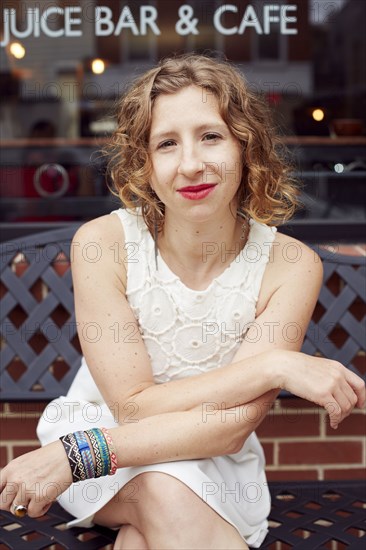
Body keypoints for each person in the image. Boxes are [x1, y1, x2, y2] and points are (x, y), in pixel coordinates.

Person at [1, 54, 364, 550]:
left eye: (211, 136)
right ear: (145, 165)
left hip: (208, 466)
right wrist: (274, 367)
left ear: (245, 146)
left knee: (152, 518)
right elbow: (131, 407)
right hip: (107, 448)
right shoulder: (103, 243)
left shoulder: (291, 264)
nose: (191, 164)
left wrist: (75, 455)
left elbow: (228, 431)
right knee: (166, 494)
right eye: (167, 144)